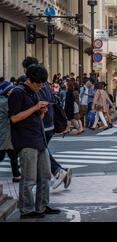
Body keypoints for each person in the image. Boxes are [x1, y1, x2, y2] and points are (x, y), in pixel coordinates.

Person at [8, 64, 61, 219]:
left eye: (43, 83)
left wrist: (41, 112)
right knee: (29, 178)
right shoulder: (17, 93)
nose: (41, 86)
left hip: (39, 138)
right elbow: (14, 118)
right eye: (39, 83)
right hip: (25, 141)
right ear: (30, 80)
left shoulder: (34, 92)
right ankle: (26, 209)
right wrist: (35, 108)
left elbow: (35, 118)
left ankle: (42, 206)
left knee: (45, 176)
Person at [22, 57, 72, 191]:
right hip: (49, 121)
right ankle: (58, 172)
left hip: (40, 122)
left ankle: (58, 172)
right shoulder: (45, 82)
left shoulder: (31, 81)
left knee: (41, 150)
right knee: (42, 150)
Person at [0, 81, 21, 182]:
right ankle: (16, 175)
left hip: (7, 132)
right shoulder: (5, 102)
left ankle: (17, 175)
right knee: (5, 154)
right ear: (7, 91)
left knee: (13, 154)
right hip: (5, 132)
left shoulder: (3, 100)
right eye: (12, 89)